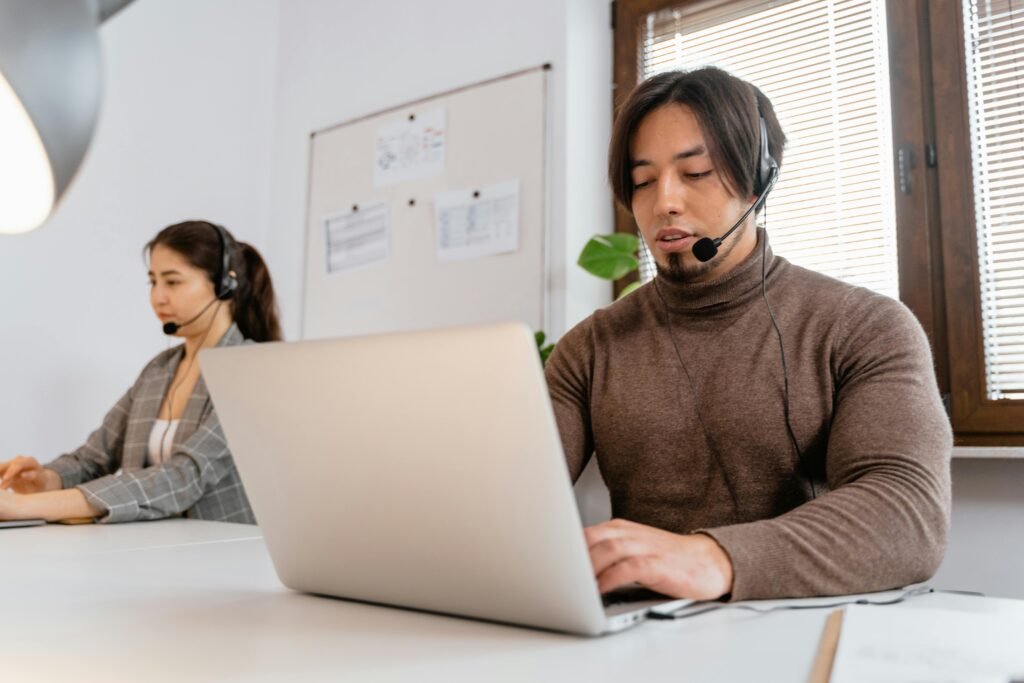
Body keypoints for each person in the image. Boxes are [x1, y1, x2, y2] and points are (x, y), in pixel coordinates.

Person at [545, 67, 952, 602]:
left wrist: (712, 558)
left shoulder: (864, 326)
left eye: (696, 173)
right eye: (643, 180)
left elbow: (908, 512)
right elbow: (510, 500)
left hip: (810, 625)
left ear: (760, 179)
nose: (664, 201)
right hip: (644, 633)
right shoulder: (590, 349)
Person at [0, 220, 282, 524]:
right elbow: (94, 458)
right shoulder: (159, 370)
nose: (158, 297)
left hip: (226, 555)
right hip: (151, 550)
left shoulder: (253, 369)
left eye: (172, 282)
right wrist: (46, 478)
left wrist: (23, 507)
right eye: (153, 282)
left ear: (226, 285)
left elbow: (184, 476)